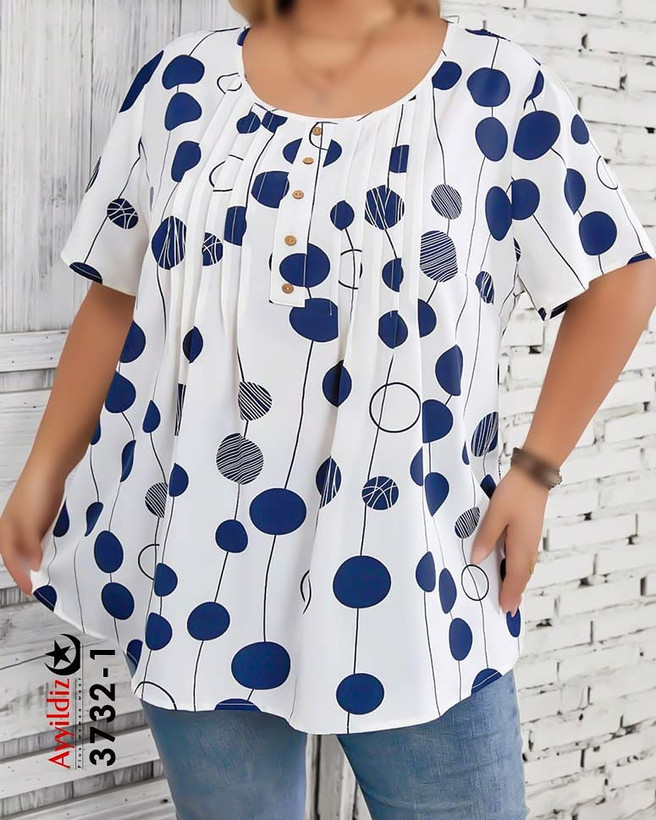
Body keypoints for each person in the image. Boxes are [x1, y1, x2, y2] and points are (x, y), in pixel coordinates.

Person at [2, 0, 655, 817]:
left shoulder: (494, 88)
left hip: (413, 572)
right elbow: (115, 294)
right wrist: (44, 469)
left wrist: (536, 470)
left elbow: (618, 277)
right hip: (194, 565)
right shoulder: (180, 84)